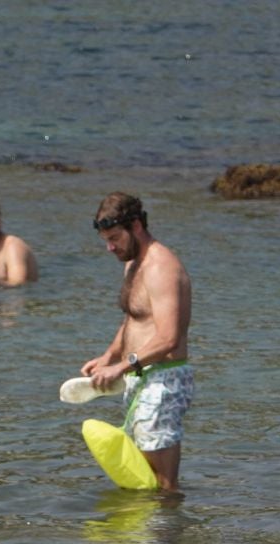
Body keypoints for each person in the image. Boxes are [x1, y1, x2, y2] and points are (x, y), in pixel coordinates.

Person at [79, 193, 195, 493]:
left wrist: (120, 367)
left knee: (163, 483)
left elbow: (169, 338)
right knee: (141, 476)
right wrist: (108, 356)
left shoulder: (161, 267)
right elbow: (134, 319)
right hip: (141, 376)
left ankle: (165, 537)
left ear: (136, 226)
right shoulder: (132, 263)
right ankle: (141, 538)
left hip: (164, 380)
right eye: (106, 239)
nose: (110, 247)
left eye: (115, 237)